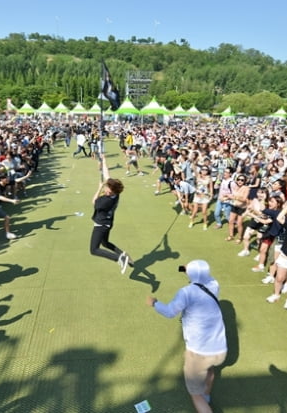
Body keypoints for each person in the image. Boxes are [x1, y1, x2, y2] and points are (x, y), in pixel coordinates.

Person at [146, 260, 227, 413]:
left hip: (199, 351)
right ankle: (207, 398)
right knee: (210, 371)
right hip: (219, 348)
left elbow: (170, 311)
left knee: (195, 394)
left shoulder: (186, 292)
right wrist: (187, 269)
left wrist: (154, 303)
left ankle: (203, 402)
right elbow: (202, 276)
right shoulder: (214, 285)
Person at [90, 154, 133, 274]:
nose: (105, 188)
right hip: (108, 223)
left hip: (101, 225)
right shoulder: (115, 193)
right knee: (105, 243)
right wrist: (104, 160)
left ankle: (119, 258)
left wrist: (99, 188)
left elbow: (93, 202)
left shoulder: (106, 200)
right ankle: (123, 254)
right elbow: (107, 174)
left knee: (94, 249)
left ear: (111, 190)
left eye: (107, 188)